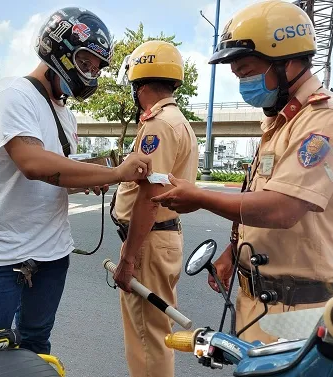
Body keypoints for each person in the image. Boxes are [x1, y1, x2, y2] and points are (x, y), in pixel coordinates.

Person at [151, 0, 333, 344]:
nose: (241, 81)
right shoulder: (281, 121)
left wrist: (199, 197)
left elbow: (283, 208)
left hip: (300, 310)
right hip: (258, 301)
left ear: (287, 61)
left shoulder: (327, 121)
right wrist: (234, 249)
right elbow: (256, 196)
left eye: (247, 70)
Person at [0, 6, 152, 356]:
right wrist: (115, 172)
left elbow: (57, 174)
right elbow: (33, 164)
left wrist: (89, 177)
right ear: (57, 47)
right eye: (85, 61)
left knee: (34, 345)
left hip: (51, 254)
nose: (91, 73)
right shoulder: (13, 94)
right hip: (1, 254)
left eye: (96, 67)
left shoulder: (66, 115)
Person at [111, 40, 198, 377]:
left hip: (148, 242)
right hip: (160, 238)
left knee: (148, 339)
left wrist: (128, 258)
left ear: (141, 86)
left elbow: (151, 195)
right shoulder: (178, 121)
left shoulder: (158, 125)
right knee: (156, 334)